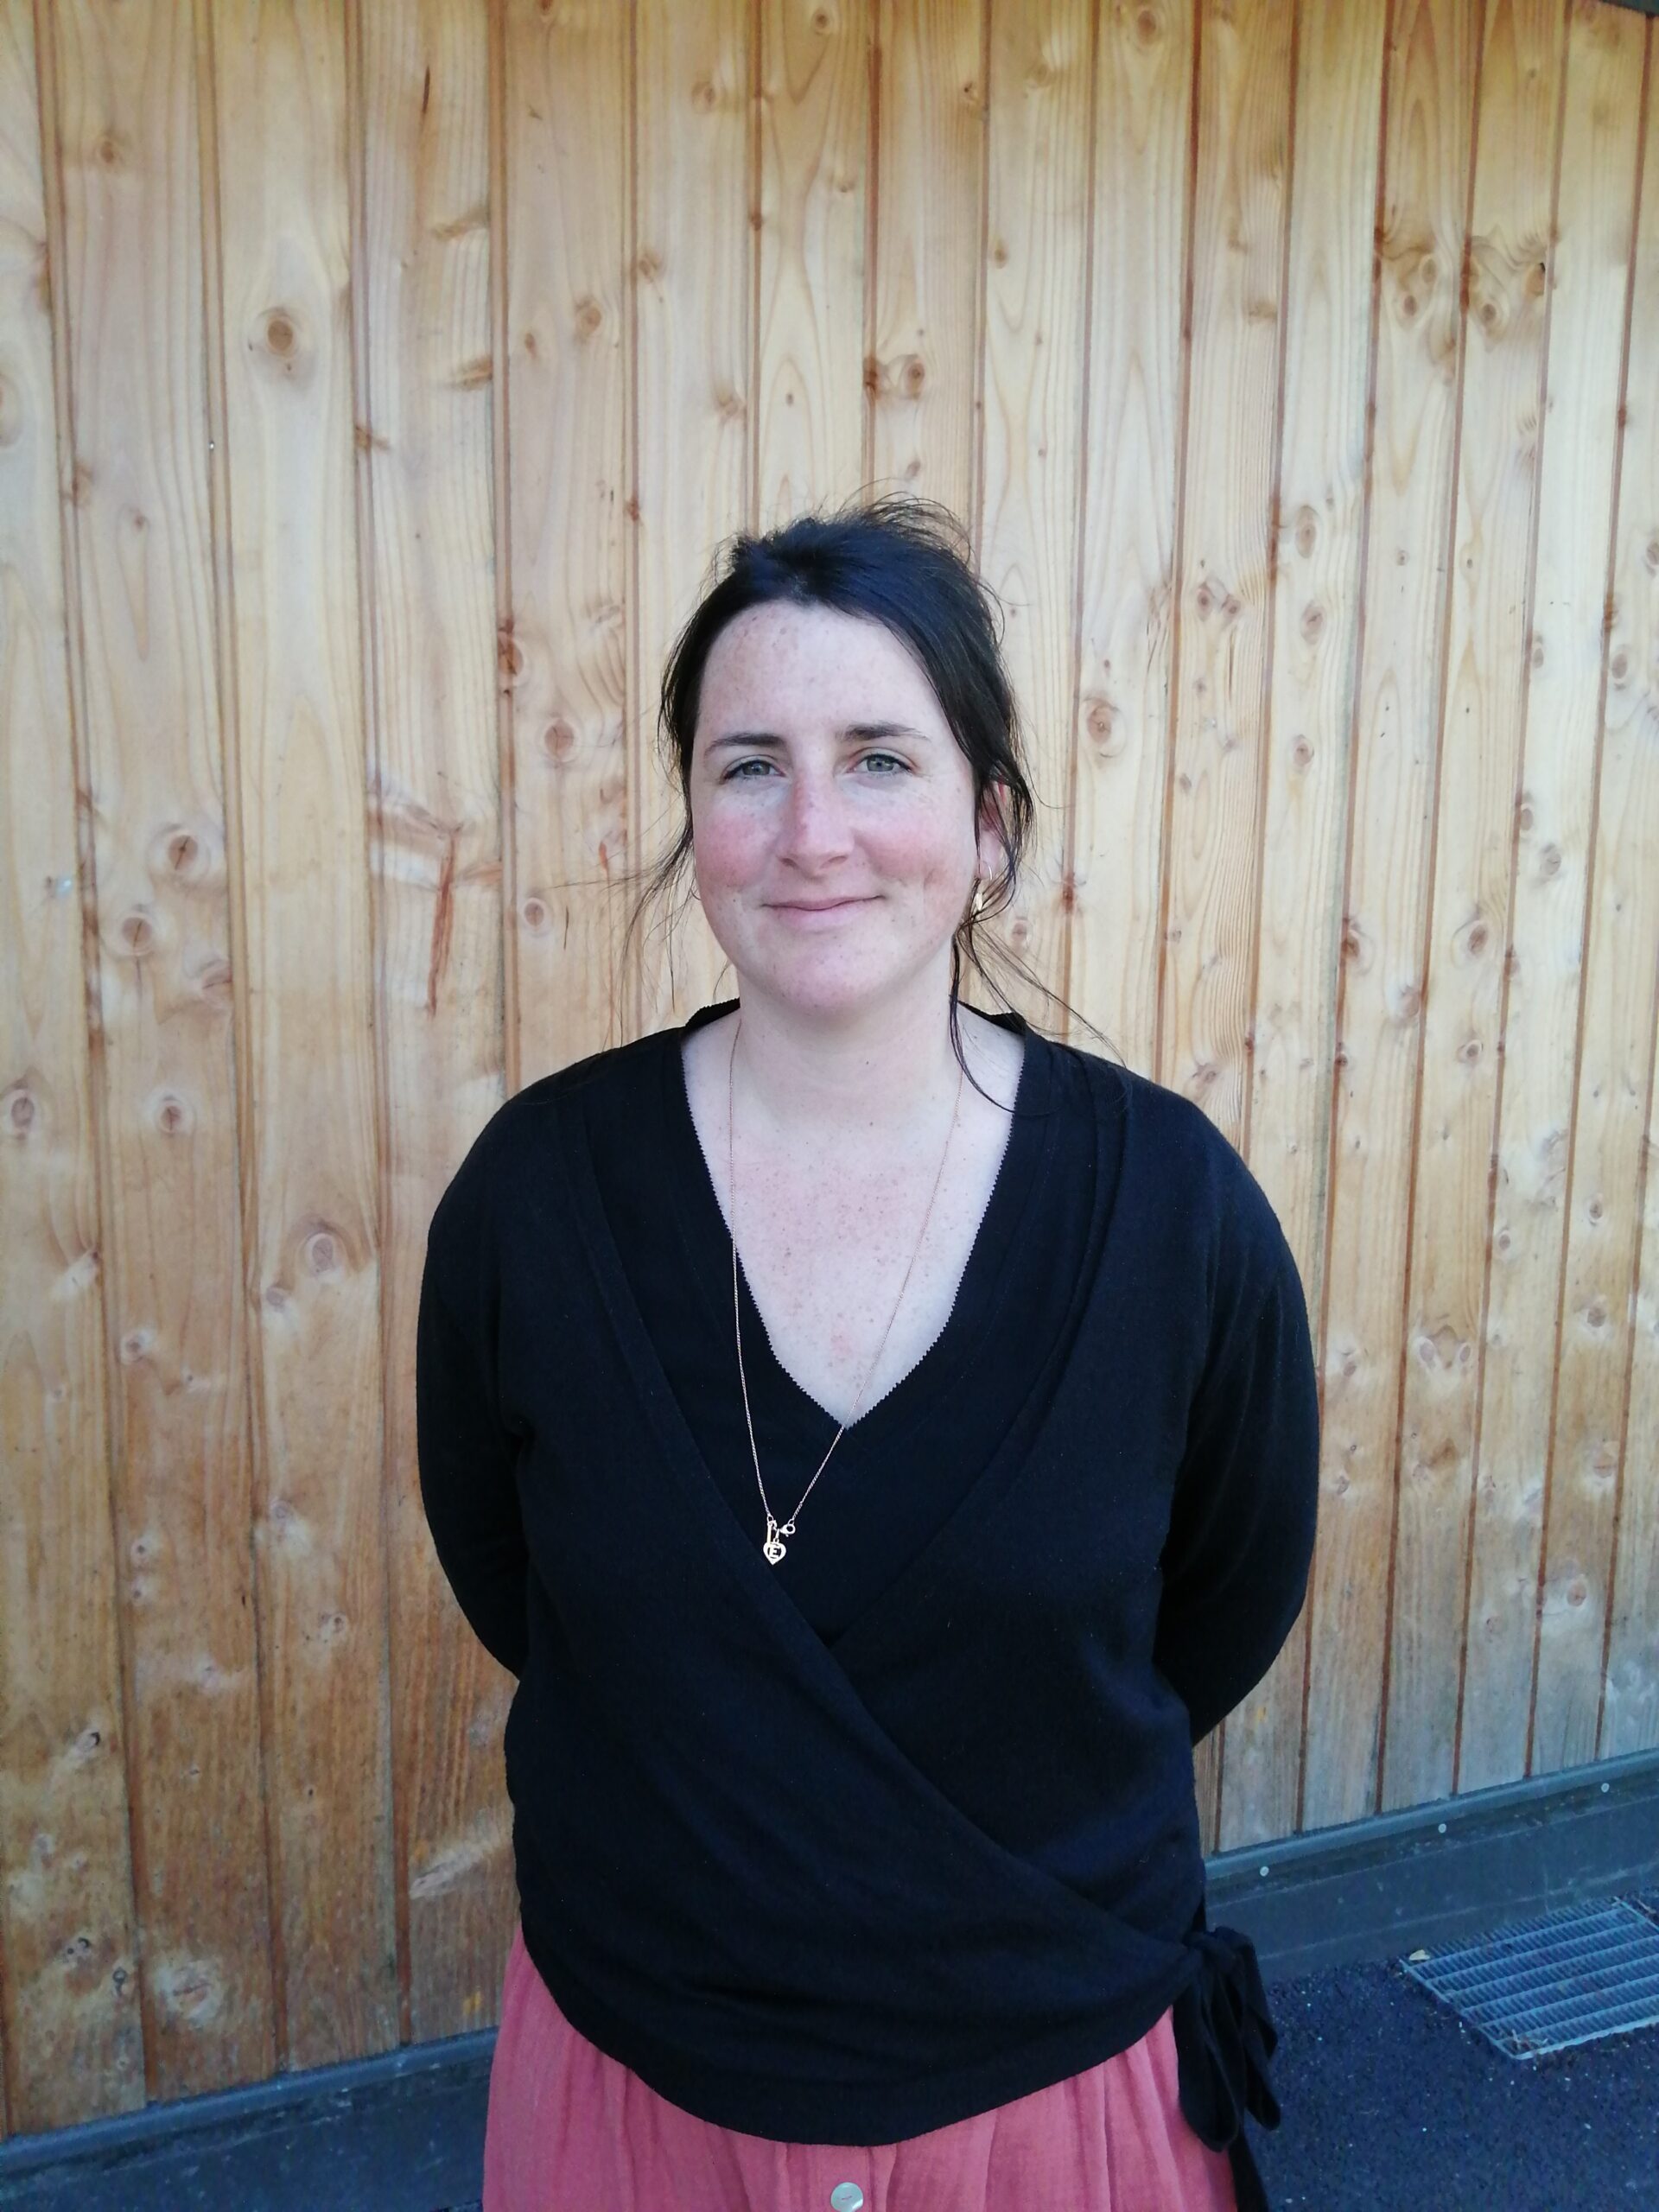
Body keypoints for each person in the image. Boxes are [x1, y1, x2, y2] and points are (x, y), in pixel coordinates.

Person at [416, 494, 1321, 2212]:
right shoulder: (537, 1197)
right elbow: (513, 1579)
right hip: (640, 2088)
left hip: (1052, 2097)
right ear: (694, 819)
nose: (811, 830)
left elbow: (1221, 1601)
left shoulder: (1173, 1209)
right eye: (750, 765)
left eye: (880, 760)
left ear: (989, 828)